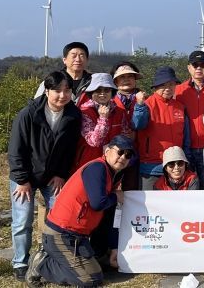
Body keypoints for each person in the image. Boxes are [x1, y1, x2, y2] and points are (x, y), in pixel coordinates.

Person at [25, 136, 133, 287]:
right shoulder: (97, 168)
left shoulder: (112, 174)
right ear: (107, 151)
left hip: (78, 235)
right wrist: (116, 196)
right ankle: (41, 265)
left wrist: (114, 246)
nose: (123, 157)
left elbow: (110, 213)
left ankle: (55, 259)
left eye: (128, 155)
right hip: (61, 233)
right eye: (120, 152)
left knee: (96, 273)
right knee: (90, 280)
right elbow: (98, 203)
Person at [8, 71, 82, 281]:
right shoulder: (28, 114)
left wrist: (61, 174)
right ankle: (21, 262)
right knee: (23, 220)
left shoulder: (73, 115)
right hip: (25, 176)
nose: (62, 95)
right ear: (47, 91)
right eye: (57, 90)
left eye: (67, 90)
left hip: (53, 176)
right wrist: (22, 180)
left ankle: (49, 259)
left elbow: (70, 150)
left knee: (59, 218)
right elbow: (16, 149)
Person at [133, 66, 189, 190]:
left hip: (176, 167)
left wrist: (186, 160)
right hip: (151, 167)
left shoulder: (180, 107)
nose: (168, 88)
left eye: (171, 84)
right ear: (156, 86)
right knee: (150, 202)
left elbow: (186, 137)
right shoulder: (147, 105)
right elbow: (138, 124)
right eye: (163, 84)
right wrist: (140, 106)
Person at [175, 50, 204, 190]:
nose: (198, 68)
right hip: (186, 148)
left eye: (202, 65)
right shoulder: (179, 91)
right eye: (195, 65)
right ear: (189, 67)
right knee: (189, 189)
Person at [74, 73, 129, 172]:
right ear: (91, 92)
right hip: (89, 162)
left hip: (113, 164)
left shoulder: (119, 112)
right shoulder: (84, 112)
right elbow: (94, 141)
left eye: (106, 90)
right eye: (98, 90)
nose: (102, 94)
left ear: (112, 92)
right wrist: (103, 118)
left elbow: (124, 137)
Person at [110, 61, 144, 190]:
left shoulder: (146, 100)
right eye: (122, 77)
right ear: (115, 81)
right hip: (114, 155)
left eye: (130, 76)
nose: (126, 80)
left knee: (133, 191)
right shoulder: (109, 101)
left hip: (138, 154)